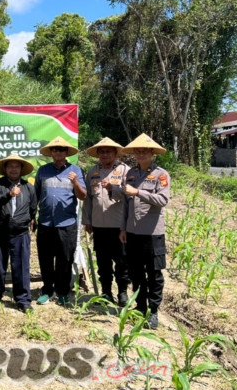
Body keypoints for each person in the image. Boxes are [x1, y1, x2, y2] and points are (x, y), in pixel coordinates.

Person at [117, 134, 170, 330]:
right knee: (136, 272)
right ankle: (140, 307)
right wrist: (123, 228)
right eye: (138, 151)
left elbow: (162, 200)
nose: (141, 154)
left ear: (152, 153)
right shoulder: (130, 174)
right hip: (132, 232)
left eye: (145, 151)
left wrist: (138, 192)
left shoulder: (161, 175)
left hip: (152, 233)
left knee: (154, 274)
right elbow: (126, 205)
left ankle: (153, 311)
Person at [34, 136, 86, 307]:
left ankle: (63, 291)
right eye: (55, 149)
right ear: (51, 152)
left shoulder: (76, 171)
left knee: (65, 258)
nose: (58, 152)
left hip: (67, 222)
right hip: (45, 222)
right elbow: (36, 195)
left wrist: (75, 182)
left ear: (66, 152)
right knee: (46, 258)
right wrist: (32, 217)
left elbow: (82, 195)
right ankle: (48, 290)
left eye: (62, 149)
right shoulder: (43, 171)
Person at [83, 138, 131, 307]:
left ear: (115, 153)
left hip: (119, 226)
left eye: (108, 151)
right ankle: (106, 292)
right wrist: (87, 221)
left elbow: (130, 196)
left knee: (122, 261)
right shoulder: (92, 172)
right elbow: (88, 199)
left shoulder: (125, 171)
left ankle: (123, 292)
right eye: (101, 152)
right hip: (98, 225)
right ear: (97, 155)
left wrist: (113, 189)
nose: (104, 154)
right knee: (103, 262)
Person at [0, 153, 37, 313]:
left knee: (21, 267)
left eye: (17, 166)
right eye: (11, 166)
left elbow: (33, 208)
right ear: (5, 168)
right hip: (1, 232)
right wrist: (9, 194)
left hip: (21, 233)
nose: (14, 169)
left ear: (22, 169)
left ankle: (23, 300)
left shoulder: (28, 187)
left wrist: (29, 220)